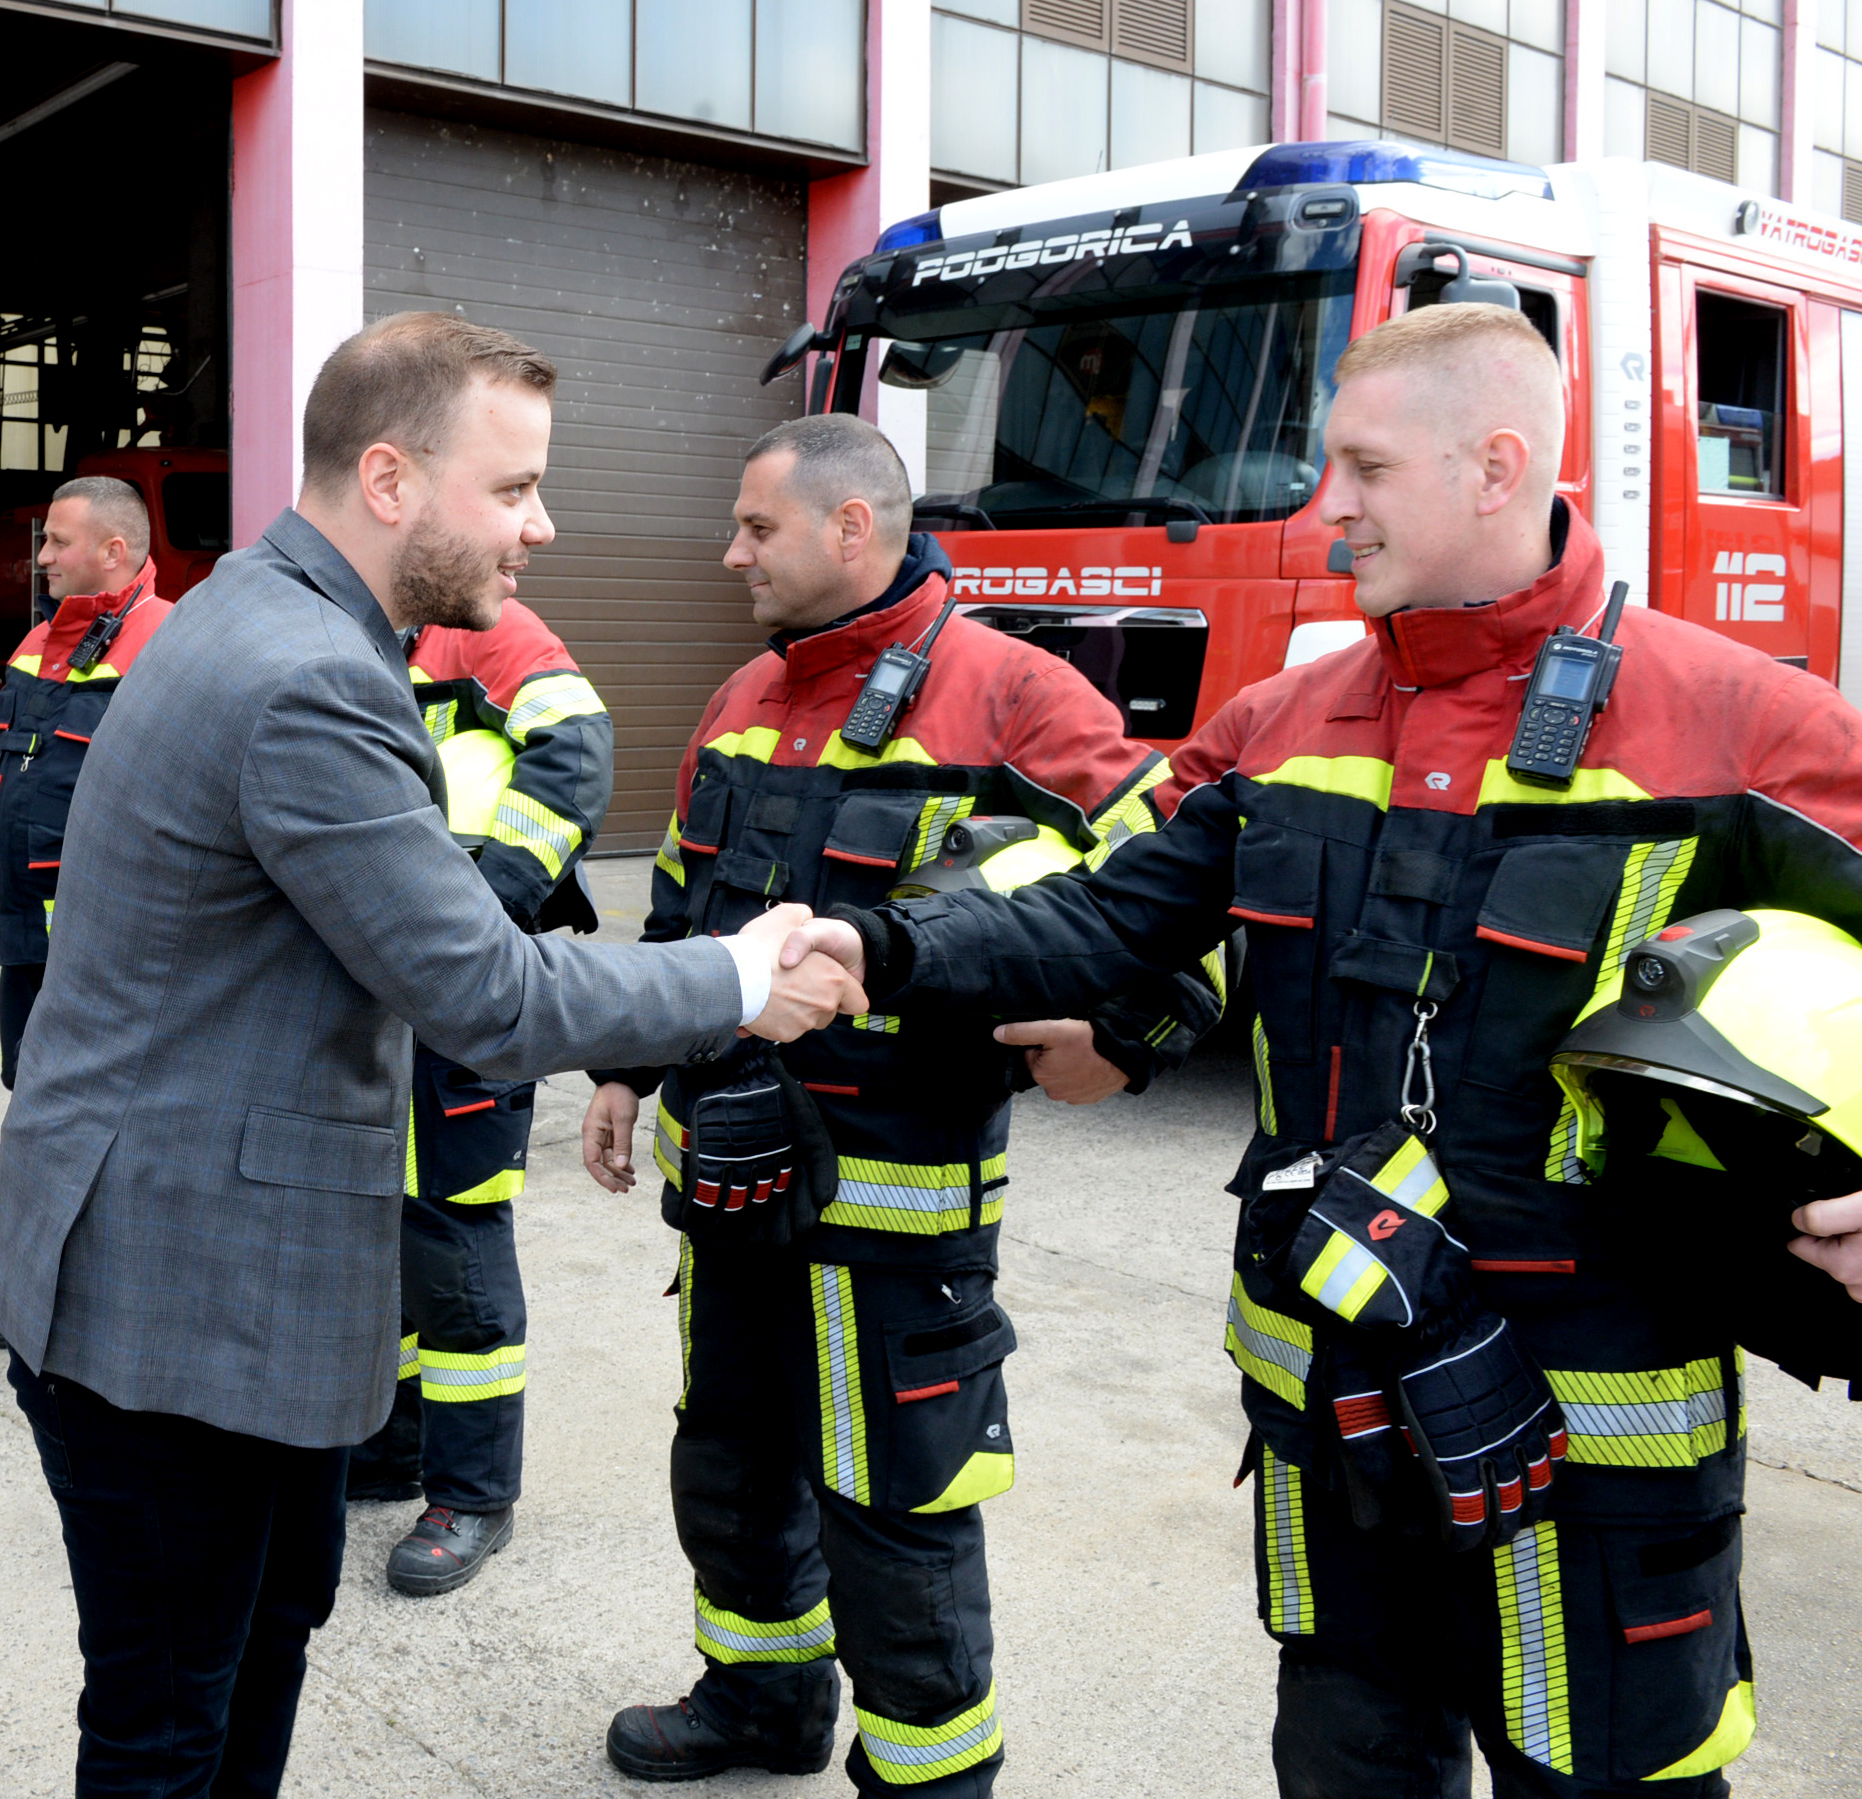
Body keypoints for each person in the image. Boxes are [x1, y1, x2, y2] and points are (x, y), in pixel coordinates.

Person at [786, 303, 1862, 1796]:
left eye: (1360, 466)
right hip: (1327, 1401)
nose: (1330, 504)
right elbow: (1108, 919)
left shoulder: (1737, 723)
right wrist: (877, 948)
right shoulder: (1280, 720)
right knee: (1346, 1748)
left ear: (1493, 467)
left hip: (1594, 1435)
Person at [0, 311, 867, 1798]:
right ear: (389, 481)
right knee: (168, 1720)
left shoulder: (255, 615)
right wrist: (731, 975)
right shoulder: (308, 675)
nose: (544, 522)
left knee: (245, 1654)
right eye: (512, 488)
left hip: (186, 1276)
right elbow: (486, 993)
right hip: (174, 1298)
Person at [577, 414, 1224, 1794]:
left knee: (897, 1517)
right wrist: (626, 1068)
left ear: (848, 527)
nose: (730, 550)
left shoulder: (1014, 695)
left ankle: (928, 1775)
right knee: (732, 1471)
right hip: (732, 1192)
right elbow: (687, 908)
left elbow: (1179, 897)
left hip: (895, 1221)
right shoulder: (742, 694)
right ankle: (758, 1703)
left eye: (756, 527)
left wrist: (1131, 1034)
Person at [344, 597, 616, 1595]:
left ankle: (474, 1492)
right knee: (385, 1233)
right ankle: (394, 1447)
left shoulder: (487, 632)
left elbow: (577, 748)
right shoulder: (355, 635)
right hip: (369, 988)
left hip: (462, 995)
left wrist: (482, 910)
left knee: (456, 1240)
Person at [0, 477, 171, 1352]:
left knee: (115, 1117)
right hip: (30, 935)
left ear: (114, 551)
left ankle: (117, 1295)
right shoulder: (39, 641)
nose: (41, 558)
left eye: (56, 543)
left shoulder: (168, 642)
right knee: (31, 1104)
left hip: (120, 936)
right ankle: (22, 1289)